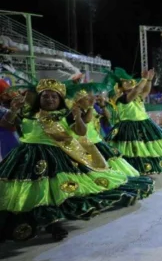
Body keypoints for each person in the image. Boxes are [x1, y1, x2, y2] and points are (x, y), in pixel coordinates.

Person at [0, 79, 150, 242]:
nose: (49, 99)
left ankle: (54, 223)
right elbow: (6, 124)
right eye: (46, 96)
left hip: (59, 157)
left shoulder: (67, 114)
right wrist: (13, 111)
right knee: (29, 191)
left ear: (60, 100)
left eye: (54, 97)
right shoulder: (27, 113)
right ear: (39, 98)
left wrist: (78, 117)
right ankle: (30, 222)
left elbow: (81, 131)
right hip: (27, 156)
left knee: (57, 191)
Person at [107, 68, 162, 175]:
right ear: (120, 86)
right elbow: (137, 90)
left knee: (147, 148)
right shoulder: (122, 98)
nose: (129, 82)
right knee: (134, 149)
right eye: (125, 82)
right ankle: (134, 170)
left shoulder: (137, 97)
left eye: (129, 81)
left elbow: (145, 91)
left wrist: (149, 80)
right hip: (129, 127)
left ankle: (147, 168)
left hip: (144, 124)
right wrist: (144, 78)